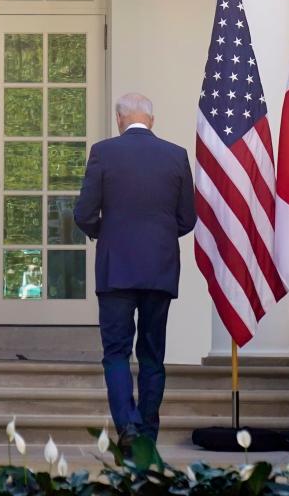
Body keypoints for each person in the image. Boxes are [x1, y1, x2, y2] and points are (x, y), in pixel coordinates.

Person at [74, 93, 196, 448]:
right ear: (152, 121)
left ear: (119, 119)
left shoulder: (103, 152)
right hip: (160, 269)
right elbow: (187, 218)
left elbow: (83, 214)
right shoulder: (176, 155)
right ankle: (146, 432)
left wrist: (106, 234)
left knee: (116, 352)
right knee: (153, 354)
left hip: (116, 271)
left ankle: (126, 425)